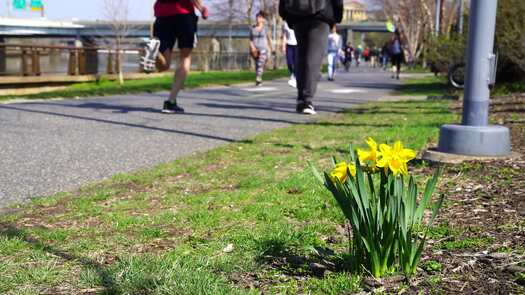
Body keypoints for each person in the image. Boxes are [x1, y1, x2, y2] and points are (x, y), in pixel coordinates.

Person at [141, 0, 209, 113]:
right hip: (184, 15)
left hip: (162, 15)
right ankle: (170, 102)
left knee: (165, 65)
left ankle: (155, 52)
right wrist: (201, 8)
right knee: (185, 57)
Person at [279, 0, 344, 115]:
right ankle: (306, 100)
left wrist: (285, 12)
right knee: (313, 57)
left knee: (301, 56)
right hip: (321, 15)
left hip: (297, 13)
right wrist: (337, 15)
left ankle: (301, 98)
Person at [250, 11, 271, 86]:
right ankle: (258, 77)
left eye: (259, 17)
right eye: (257, 17)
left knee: (260, 63)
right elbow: (251, 39)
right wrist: (252, 47)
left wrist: (270, 49)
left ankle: (258, 78)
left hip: (263, 48)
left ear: (262, 19)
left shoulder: (265, 28)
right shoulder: (252, 28)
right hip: (255, 49)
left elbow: (268, 38)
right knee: (257, 65)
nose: (257, 19)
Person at [282, 21, 298, 88]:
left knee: (296, 62)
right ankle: (292, 74)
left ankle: (295, 77)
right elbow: (285, 35)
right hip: (289, 45)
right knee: (289, 62)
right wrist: (283, 45)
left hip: (297, 44)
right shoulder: (286, 23)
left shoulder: (298, 22)